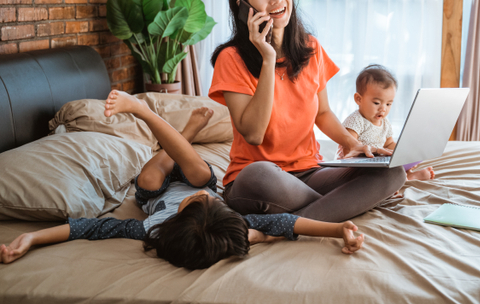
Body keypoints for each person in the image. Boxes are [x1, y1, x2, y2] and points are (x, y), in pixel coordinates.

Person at [0, 91, 364, 269]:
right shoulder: (233, 227)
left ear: (177, 219)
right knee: (201, 176)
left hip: (154, 191)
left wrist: (31, 237)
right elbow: (283, 223)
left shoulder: (150, 229)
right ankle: (176, 129)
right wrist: (338, 229)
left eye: (198, 204)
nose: (205, 200)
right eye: (210, 204)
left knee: (150, 174)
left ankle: (171, 126)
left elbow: (85, 229)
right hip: (198, 174)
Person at [209, 0, 406, 223]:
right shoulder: (231, 58)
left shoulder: (310, 48)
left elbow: (322, 113)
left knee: (393, 173)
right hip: (258, 180)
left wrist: (355, 145)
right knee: (260, 174)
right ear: (243, 7)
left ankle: (288, 225)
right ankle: (338, 207)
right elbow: (254, 133)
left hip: (309, 173)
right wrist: (267, 58)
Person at [336, 64, 435, 181]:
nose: (383, 108)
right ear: (359, 99)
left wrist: (403, 153)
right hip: (354, 168)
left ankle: (406, 176)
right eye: (377, 103)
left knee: (394, 166)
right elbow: (349, 149)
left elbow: (388, 144)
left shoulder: (385, 123)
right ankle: (402, 179)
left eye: (388, 104)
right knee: (379, 175)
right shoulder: (355, 120)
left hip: (377, 163)